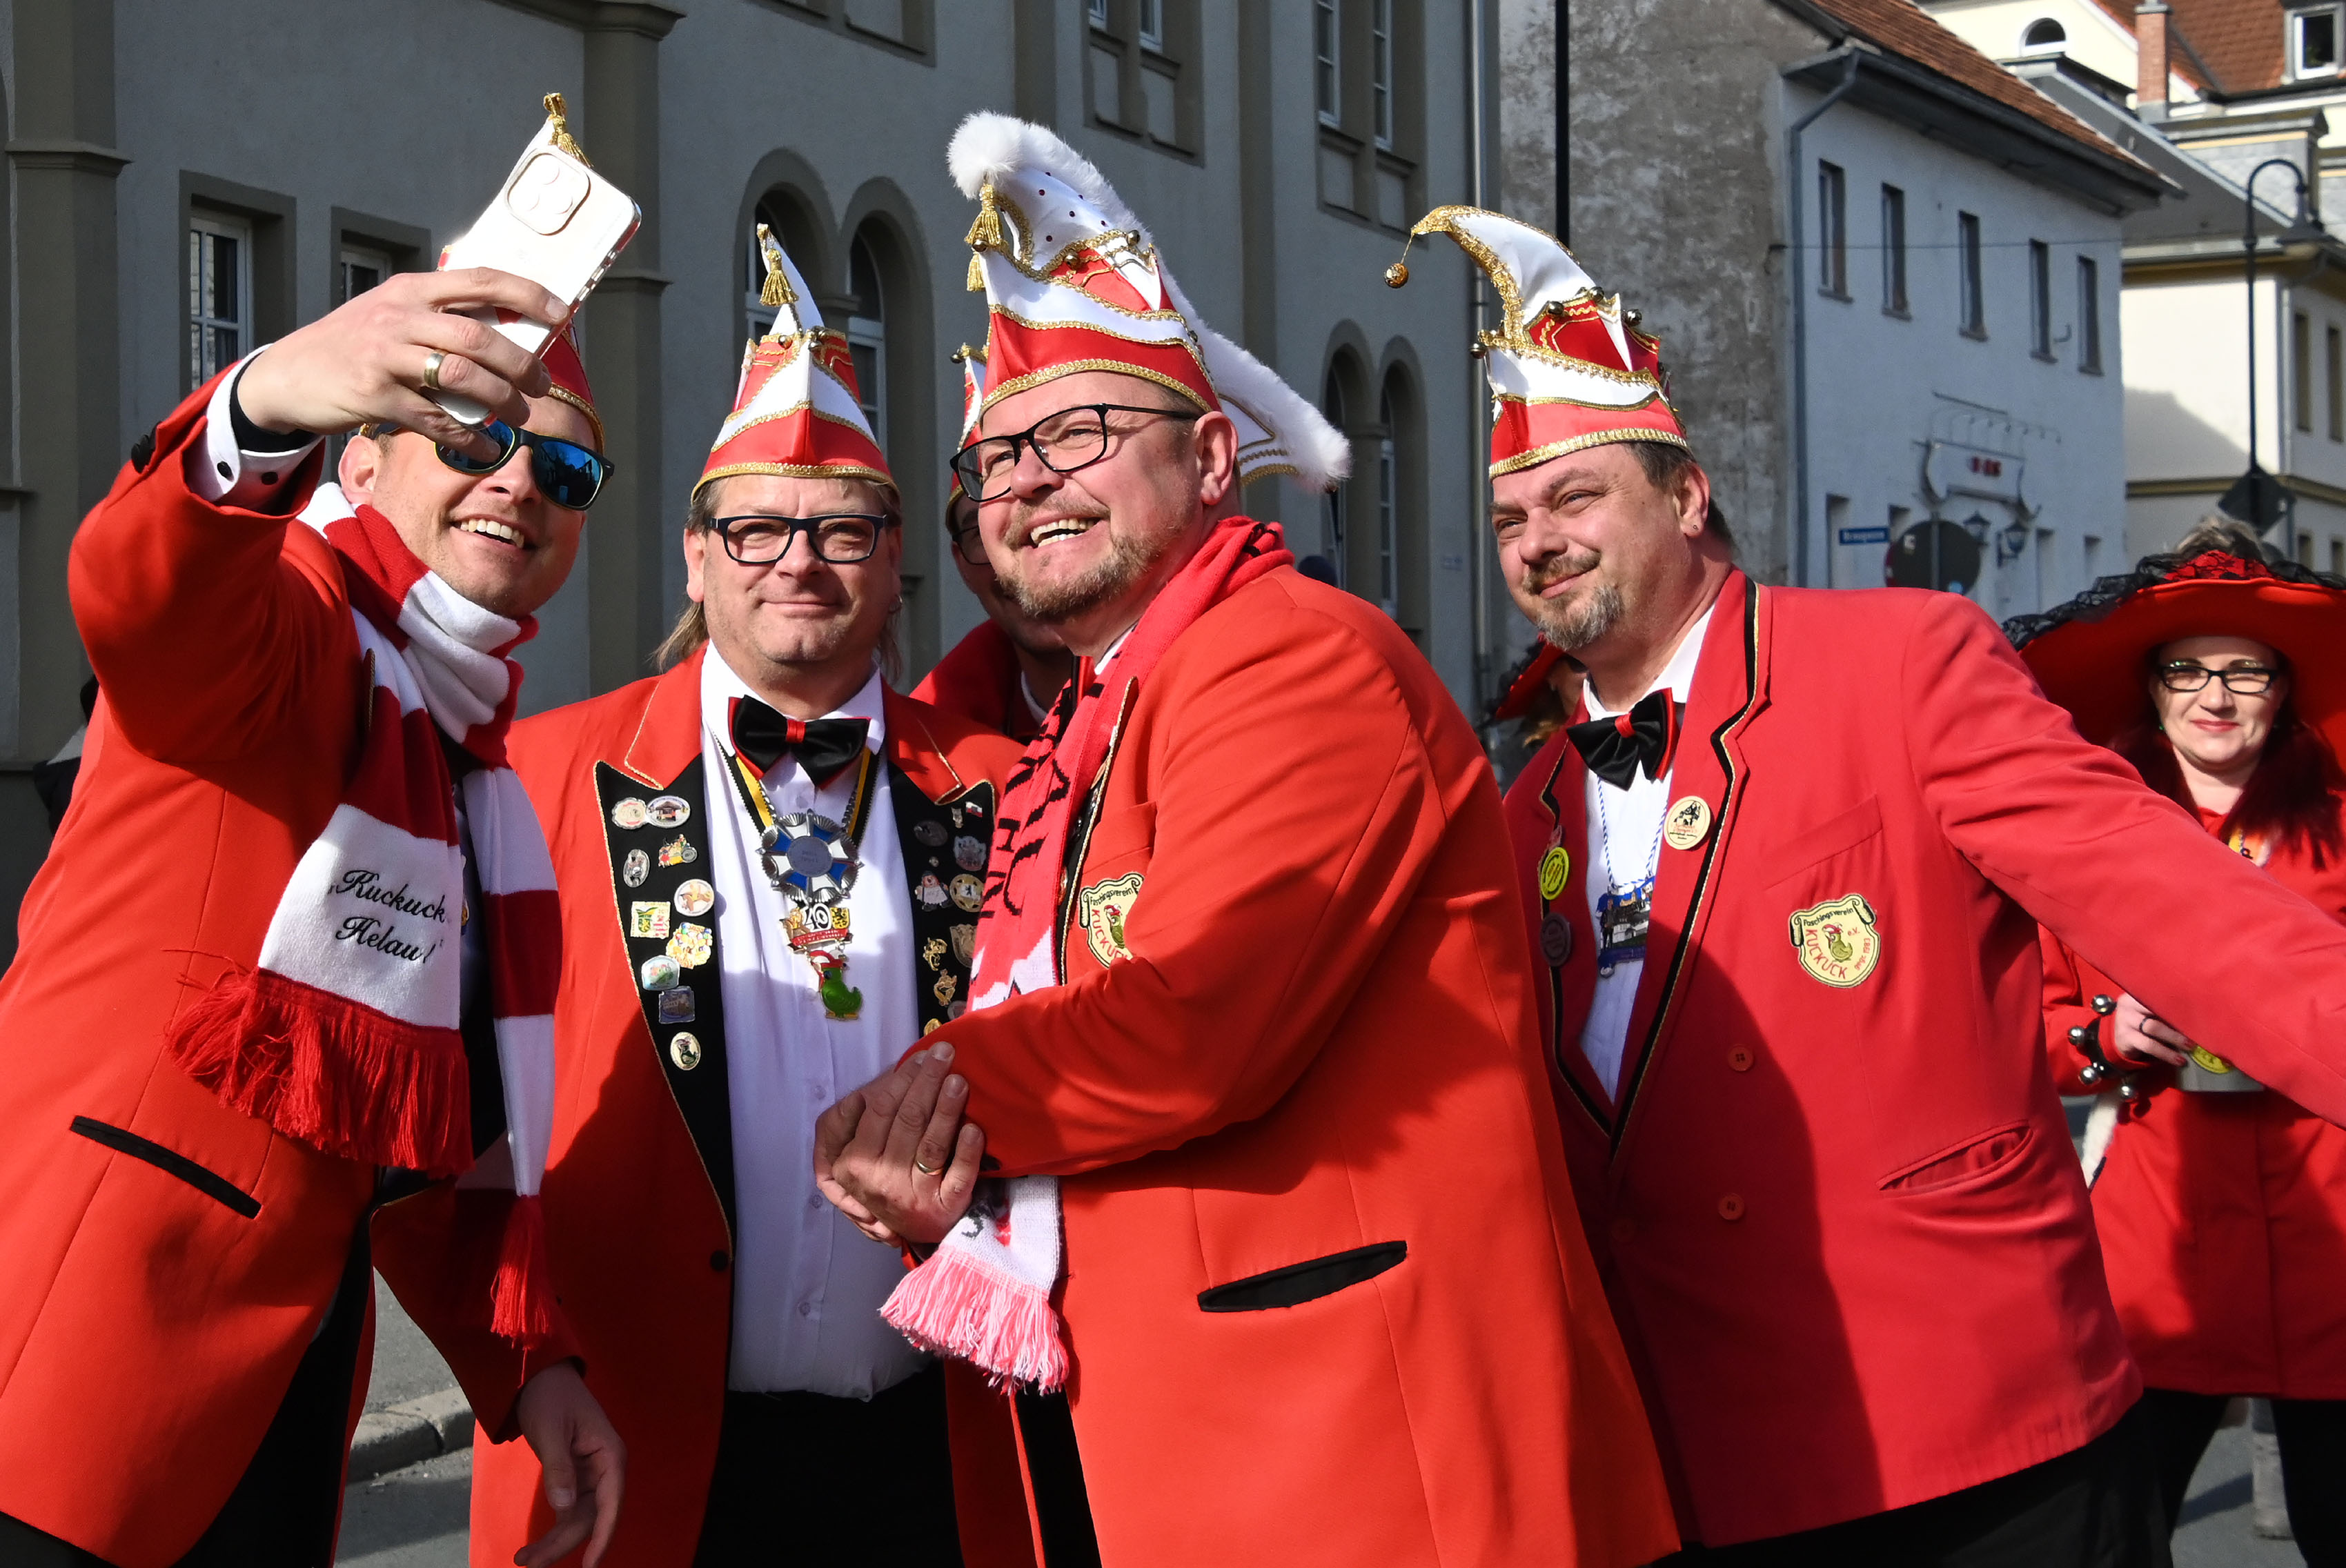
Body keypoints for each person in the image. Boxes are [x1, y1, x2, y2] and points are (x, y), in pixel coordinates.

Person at [1398, 203, 2346, 1564]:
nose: (1537, 538)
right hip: (1691, 1458)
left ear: (1686, 496)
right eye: (1508, 517)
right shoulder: (1528, 802)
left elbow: (2176, 905)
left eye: (1575, 496)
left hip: (1967, 1434)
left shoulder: (1900, 661)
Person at [814, 114, 1677, 1568]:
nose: (1027, 480)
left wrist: (920, 1101)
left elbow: (1192, 1017)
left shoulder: (1287, 654)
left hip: (1352, 1451)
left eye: (1079, 435)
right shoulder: (1111, 699)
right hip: (1200, 1424)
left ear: (1213, 458)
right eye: (996, 456)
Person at [0, 255, 624, 1558]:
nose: (519, 482)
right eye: (475, 436)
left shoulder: (470, 769)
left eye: (565, 471)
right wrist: (267, 397)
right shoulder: (291, 613)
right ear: (363, 460)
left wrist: (532, 1365)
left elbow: (433, 1133)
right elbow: (143, 594)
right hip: (76, 1364)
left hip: (279, 1404)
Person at [471, 226, 1030, 1567]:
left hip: (941, 1449)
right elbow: (463, 1123)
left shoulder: (1010, 786)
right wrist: (520, 1356)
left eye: (840, 528)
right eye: (758, 528)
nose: (798, 560)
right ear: (695, 554)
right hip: (636, 1441)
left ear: (892, 556)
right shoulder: (537, 777)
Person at [2016, 522, 2346, 1564]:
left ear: (2282, 689)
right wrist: (2107, 1036)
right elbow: (2022, 1027)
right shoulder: (2088, 838)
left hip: (2333, 1237)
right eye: (2187, 670)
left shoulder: (2341, 824)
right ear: (2151, 688)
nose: (2216, 695)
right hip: (2156, 1246)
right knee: (2125, 1534)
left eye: (2245, 670)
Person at [914, 350, 1076, 742]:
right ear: (961, 565)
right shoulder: (932, 748)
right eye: (980, 534)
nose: (1023, 553)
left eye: (1047, 526)